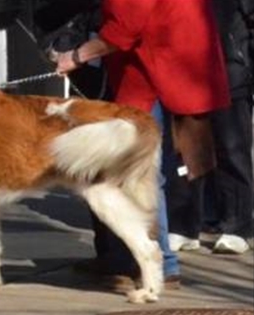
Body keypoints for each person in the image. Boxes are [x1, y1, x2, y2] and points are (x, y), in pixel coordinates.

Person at [53, 0, 231, 286]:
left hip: (155, 68)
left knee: (142, 173)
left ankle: (159, 262)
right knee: (157, 169)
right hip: (177, 61)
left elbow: (126, 26)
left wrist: (76, 56)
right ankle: (128, 257)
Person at [168, 0, 254, 254]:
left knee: (232, 150)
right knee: (187, 151)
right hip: (186, 73)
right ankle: (185, 225)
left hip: (230, 71)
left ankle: (238, 226)